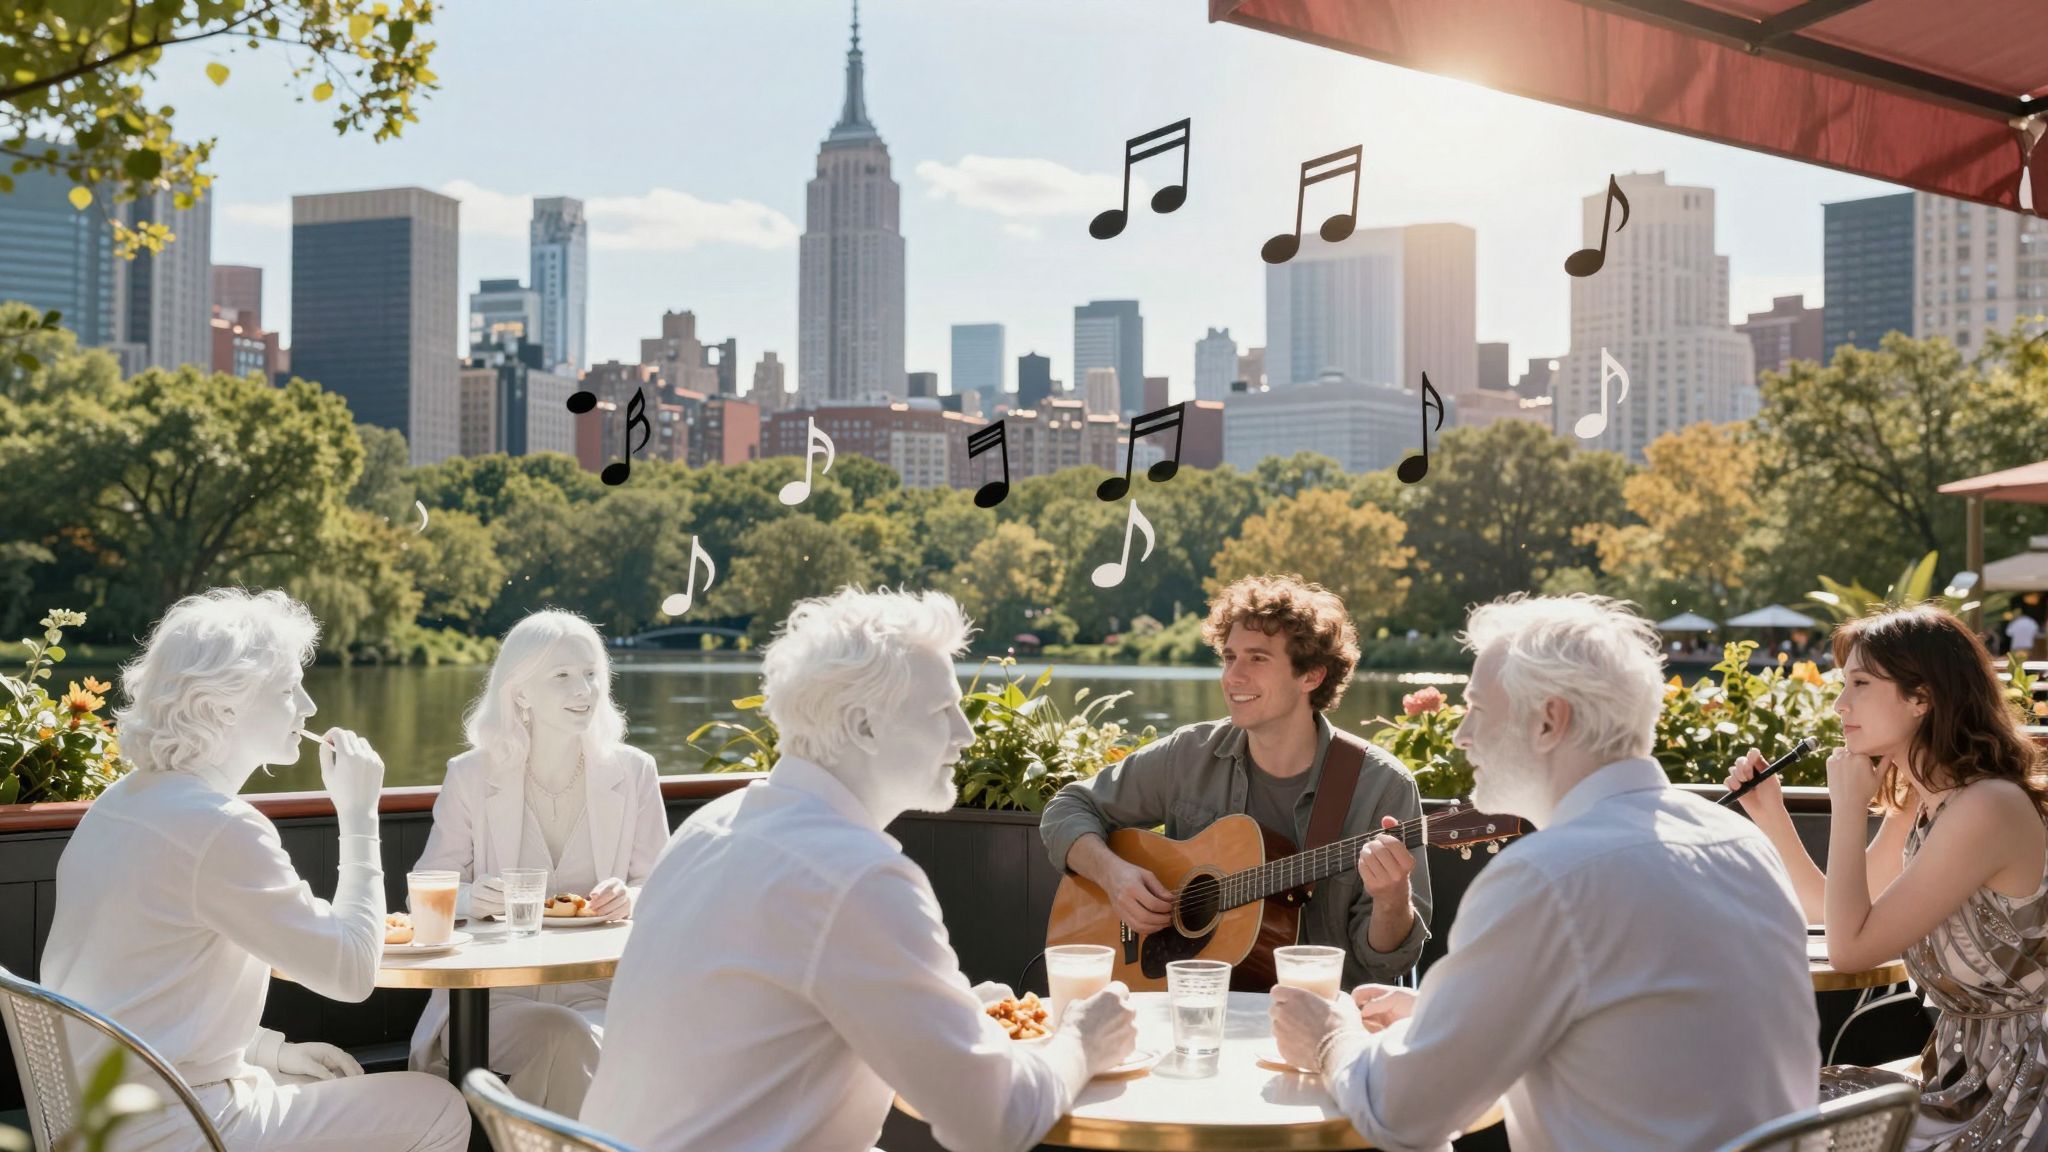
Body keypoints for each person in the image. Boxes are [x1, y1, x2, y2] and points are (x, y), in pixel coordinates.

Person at [581, 588, 1136, 1152]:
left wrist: (954, 1010)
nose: (964, 735)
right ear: (863, 726)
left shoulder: (710, 827)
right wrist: (1082, 1042)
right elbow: (996, 1122)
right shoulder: (853, 877)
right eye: (942, 712)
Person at [1271, 594, 1818, 1152]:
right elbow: (1651, 1034)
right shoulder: (1742, 842)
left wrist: (1329, 1036)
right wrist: (1451, 1018)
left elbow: (1400, 1113)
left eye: (1478, 709)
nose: (1462, 735)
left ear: (1550, 721)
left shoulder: (1549, 877)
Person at [41, 589, 469, 1152]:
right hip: (178, 1125)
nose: (310, 708)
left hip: (108, 1118)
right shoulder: (218, 827)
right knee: (439, 1106)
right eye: (290, 689)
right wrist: (360, 814)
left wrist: (271, 1053)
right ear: (226, 707)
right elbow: (352, 970)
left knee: (316, 1081)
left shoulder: (121, 803)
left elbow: (144, 992)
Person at [1723, 604, 2048, 1150]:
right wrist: (1771, 813)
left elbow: (1850, 950)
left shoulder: (1986, 806)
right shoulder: (1923, 805)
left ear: (1922, 697)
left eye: (1861, 684)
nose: (1839, 704)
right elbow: (1829, 913)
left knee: (1790, 1123)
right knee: (1763, 1101)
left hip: (2024, 1086)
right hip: (1965, 1074)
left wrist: (1847, 807)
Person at [1040, 574, 1429, 988]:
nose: (1232, 677)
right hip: (1190, 1006)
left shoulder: (1382, 788)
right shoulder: (1190, 754)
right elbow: (1066, 809)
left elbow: (1387, 963)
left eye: (1257, 659)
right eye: (1229, 658)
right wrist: (1114, 876)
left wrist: (1391, 899)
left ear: (1311, 676)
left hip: (1320, 1017)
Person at [407, 611, 667, 1116]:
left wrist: (629, 897)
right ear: (520, 692)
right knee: (562, 1038)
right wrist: (471, 897)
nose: (584, 689)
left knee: (585, 1036)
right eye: (562, 675)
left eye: (592, 673)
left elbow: (663, 889)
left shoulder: (635, 771)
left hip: (600, 992)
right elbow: (424, 896)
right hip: (492, 999)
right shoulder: (470, 775)